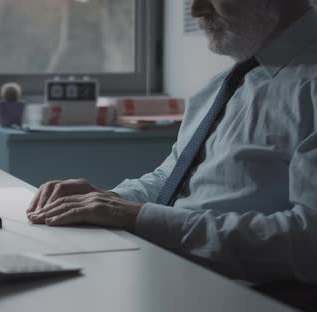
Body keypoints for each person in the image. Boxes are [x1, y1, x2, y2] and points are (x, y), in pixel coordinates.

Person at [27, 0, 317, 285]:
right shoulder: (222, 84)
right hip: (174, 273)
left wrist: (135, 217)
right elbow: (172, 179)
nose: (195, 10)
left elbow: (308, 243)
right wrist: (107, 200)